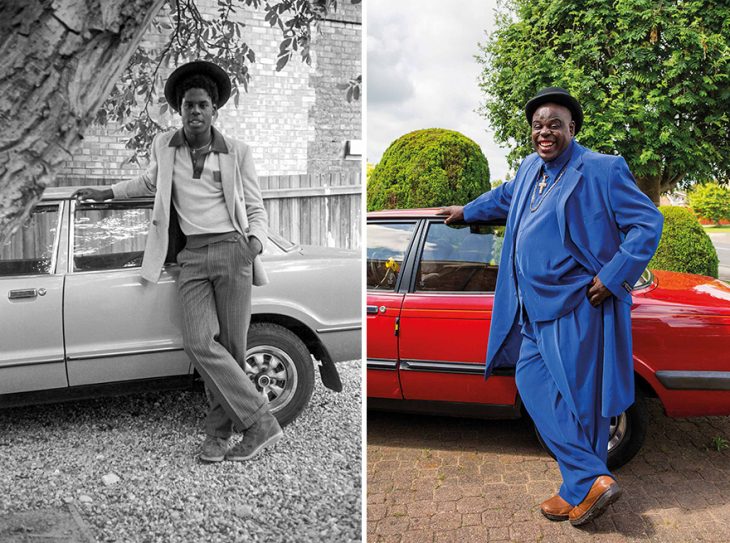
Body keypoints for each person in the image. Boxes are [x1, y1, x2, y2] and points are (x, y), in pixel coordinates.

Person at [439, 87, 663, 526]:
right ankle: (588, 481)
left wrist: (613, 275)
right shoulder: (528, 170)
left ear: (572, 129)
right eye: (538, 125)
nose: (545, 131)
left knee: (581, 403)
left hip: (578, 305)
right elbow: (503, 199)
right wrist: (467, 211)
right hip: (531, 311)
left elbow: (647, 222)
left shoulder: (602, 169)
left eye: (554, 124)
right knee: (536, 387)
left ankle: (576, 488)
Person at [74, 60, 283, 463]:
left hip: (232, 251)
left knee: (233, 348)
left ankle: (218, 437)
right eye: (188, 105)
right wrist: (106, 193)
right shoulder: (166, 147)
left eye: (202, 104)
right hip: (190, 257)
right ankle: (259, 420)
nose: (195, 111)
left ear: (214, 110)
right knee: (198, 342)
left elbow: (256, 207)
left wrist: (254, 244)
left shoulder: (237, 152)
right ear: (180, 110)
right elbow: (149, 182)